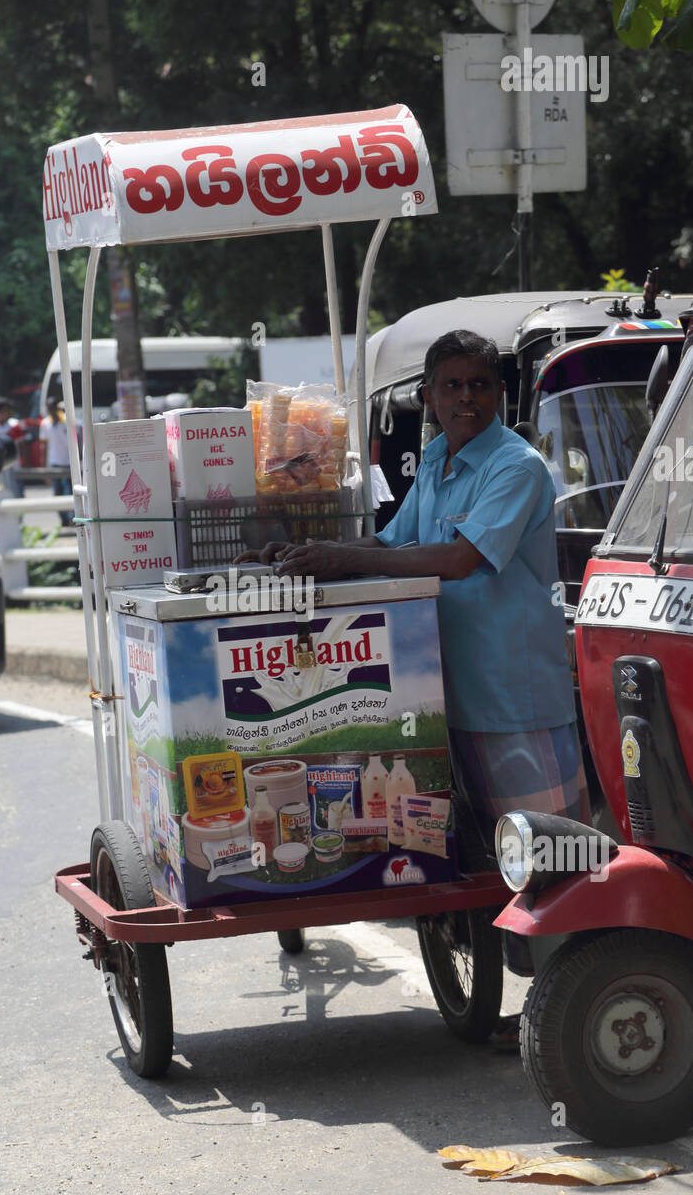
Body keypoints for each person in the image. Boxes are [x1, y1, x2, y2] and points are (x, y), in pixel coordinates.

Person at [243, 327, 589, 840]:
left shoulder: (516, 466)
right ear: (428, 396)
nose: (465, 396)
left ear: (497, 392)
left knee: (552, 855)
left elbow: (459, 559)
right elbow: (389, 544)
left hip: (516, 699)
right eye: (451, 385)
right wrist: (307, 556)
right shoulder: (435, 461)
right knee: (490, 860)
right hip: (448, 693)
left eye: (478, 384)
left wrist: (337, 557)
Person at [39, 397, 73, 526]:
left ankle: (71, 517)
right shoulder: (45, 424)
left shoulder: (66, 420)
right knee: (57, 492)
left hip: (69, 462)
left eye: (52, 408)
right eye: (49, 409)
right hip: (54, 462)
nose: (51, 411)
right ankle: (63, 519)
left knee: (69, 491)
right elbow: (44, 447)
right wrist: (43, 468)